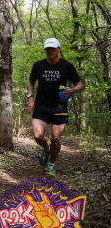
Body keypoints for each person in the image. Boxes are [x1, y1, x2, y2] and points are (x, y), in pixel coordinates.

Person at [27, 38, 84, 176]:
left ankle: (51, 164)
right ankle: (47, 149)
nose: (50, 51)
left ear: (59, 49)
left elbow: (80, 84)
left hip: (59, 107)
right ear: (45, 50)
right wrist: (30, 99)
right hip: (41, 105)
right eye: (48, 49)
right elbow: (31, 83)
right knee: (37, 135)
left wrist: (72, 90)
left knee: (55, 139)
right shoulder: (38, 65)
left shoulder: (67, 66)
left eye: (53, 49)